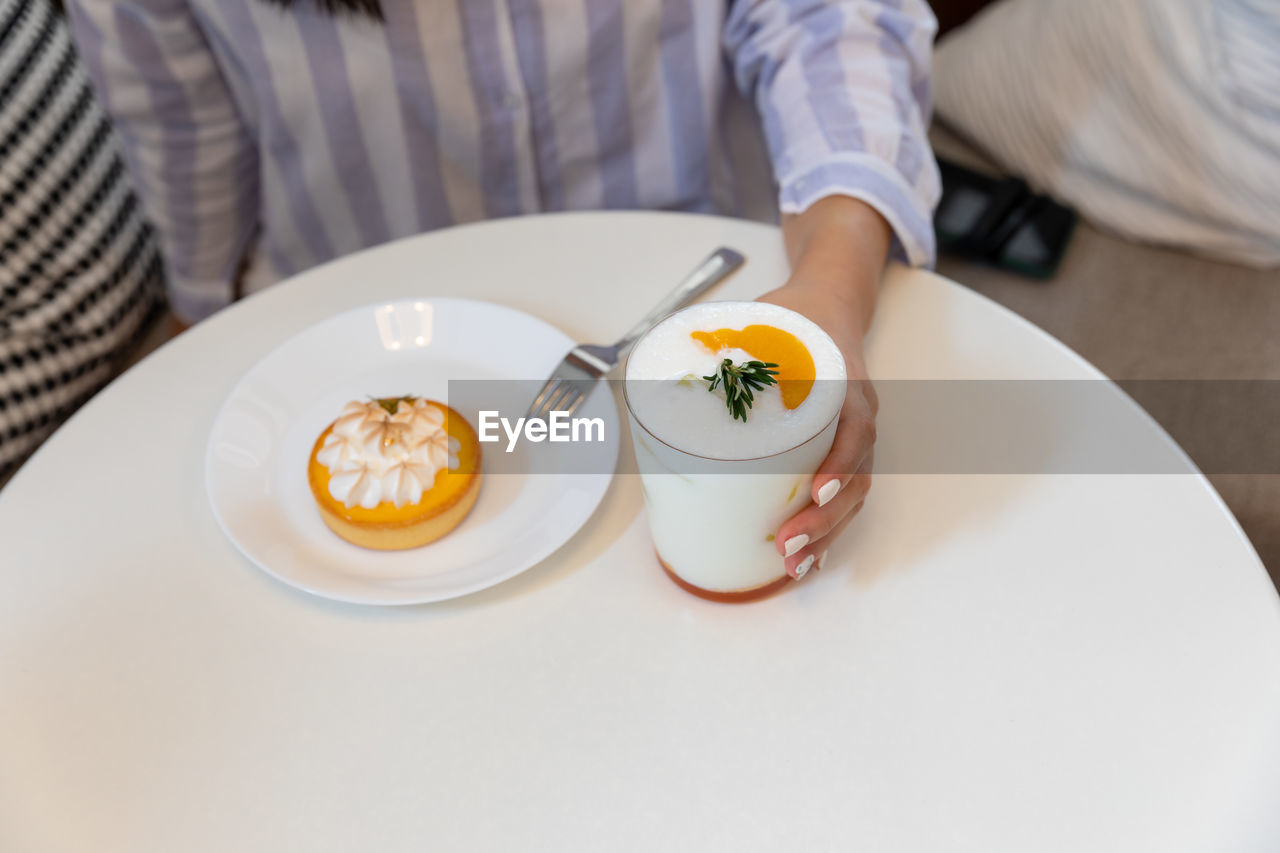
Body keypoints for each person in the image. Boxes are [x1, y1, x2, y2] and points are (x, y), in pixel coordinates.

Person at [65, 0, 940, 579]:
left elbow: (832, 17)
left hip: (687, 294)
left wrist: (832, 278)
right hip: (340, 328)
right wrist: (200, 309)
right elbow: (182, 125)